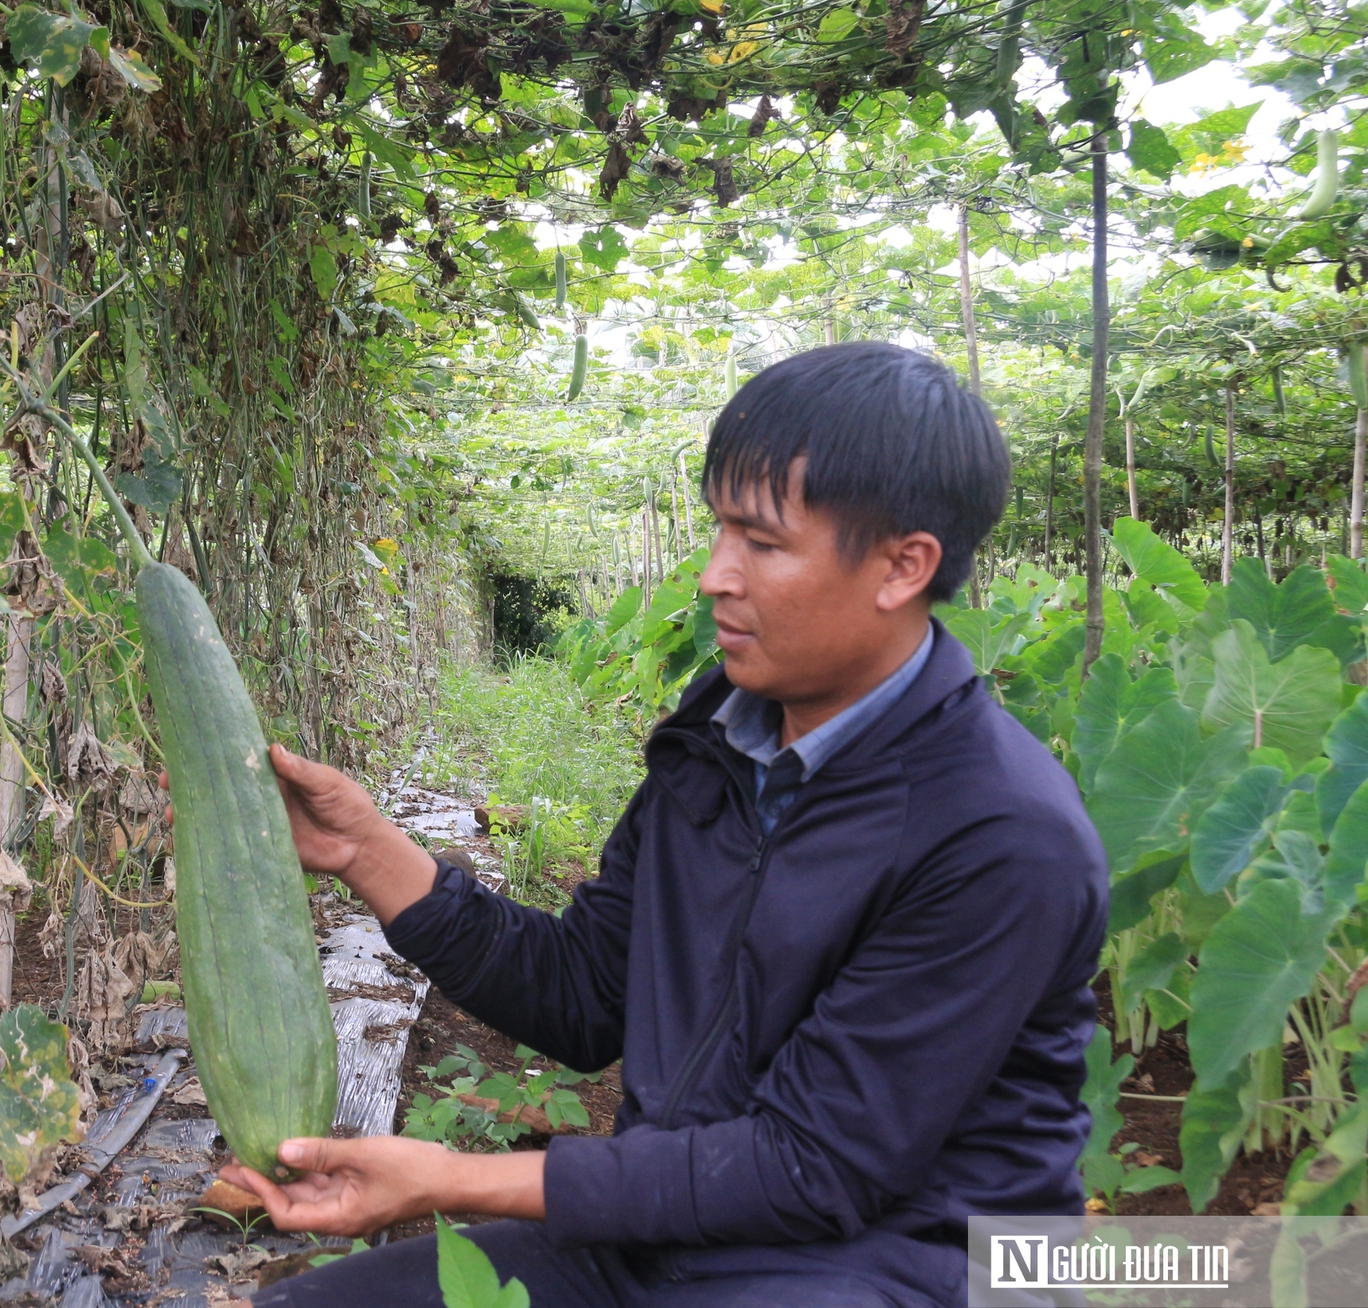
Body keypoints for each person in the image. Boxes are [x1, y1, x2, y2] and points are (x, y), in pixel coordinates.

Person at [223, 342, 1107, 1308]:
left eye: (762, 545)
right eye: (720, 530)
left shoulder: (1001, 834)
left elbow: (814, 1169)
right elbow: (587, 993)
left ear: (903, 567)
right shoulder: (718, 740)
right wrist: (365, 849)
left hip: (894, 1265)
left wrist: (450, 1178)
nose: (714, 577)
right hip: (661, 1238)